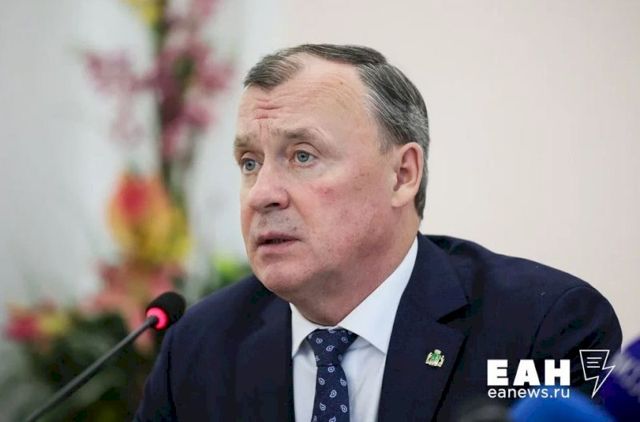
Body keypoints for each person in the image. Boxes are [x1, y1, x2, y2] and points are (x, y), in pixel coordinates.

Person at [135, 44, 622, 421]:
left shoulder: (544, 327)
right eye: (249, 162)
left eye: (303, 156)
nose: (262, 194)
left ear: (403, 175)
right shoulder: (200, 347)